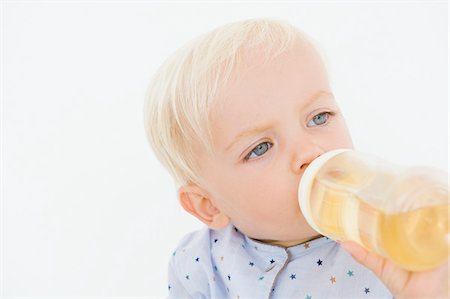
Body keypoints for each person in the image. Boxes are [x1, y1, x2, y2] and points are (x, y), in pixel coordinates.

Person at [143, 18, 448, 298]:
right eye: (261, 147)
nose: (309, 152)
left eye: (319, 117)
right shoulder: (198, 265)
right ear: (208, 205)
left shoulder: (391, 239)